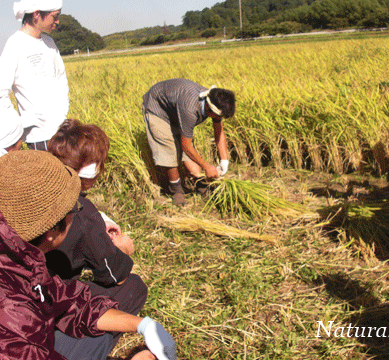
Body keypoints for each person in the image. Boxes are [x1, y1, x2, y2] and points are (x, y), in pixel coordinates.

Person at [0, 150, 176, 360]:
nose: (76, 213)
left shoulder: (19, 257)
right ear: (50, 232)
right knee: (97, 341)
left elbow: (67, 301)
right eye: (72, 209)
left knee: (96, 337)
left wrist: (144, 325)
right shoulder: (13, 314)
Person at [45, 119, 147, 348]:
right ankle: (87, 345)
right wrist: (122, 249)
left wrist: (99, 220)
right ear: (90, 175)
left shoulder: (29, 187)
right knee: (133, 287)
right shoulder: (82, 216)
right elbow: (114, 275)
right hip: (49, 296)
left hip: (23, 286)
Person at [143, 78, 236, 206]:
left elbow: (219, 132)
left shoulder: (215, 102)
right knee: (169, 150)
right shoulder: (190, 108)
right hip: (158, 108)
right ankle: (176, 190)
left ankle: (200, 184)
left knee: (190, 155)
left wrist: (224, 160)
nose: (219, 119)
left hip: (175, 108)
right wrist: (206, 166)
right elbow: (186, 146)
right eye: (219, 116)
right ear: (210, 110)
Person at [0, 0, 69, 151]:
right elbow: (1, 91)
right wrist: (18, 122)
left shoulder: (49, 42)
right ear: (36, 14)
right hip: (39, 136)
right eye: (54, 16)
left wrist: (63, 112)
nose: (57, 22)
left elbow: (61, 78)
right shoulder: (15, 44)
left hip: (61, 132)